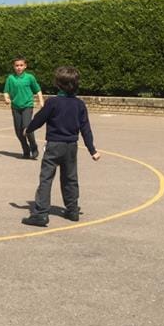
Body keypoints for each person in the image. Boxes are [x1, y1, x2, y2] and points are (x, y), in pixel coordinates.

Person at [21, 66, 100, 227]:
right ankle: (72, 210)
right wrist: (92, 150)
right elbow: (86, 129)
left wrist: (28, 129)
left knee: (46, 178)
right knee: (70, 177)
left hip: (54, 145)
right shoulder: (79, 104)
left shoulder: (53, 102)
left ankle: (41, 214)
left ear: (58, 84)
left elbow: (39, 118)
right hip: (71, 146)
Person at [3, 56, 44, 159]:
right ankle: (25, 150)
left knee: (27, 128)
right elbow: (6, 91)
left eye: (21, 65)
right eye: (17, 65)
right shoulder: (10, 78)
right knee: (18, 131)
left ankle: (33, 147)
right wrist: (6, 98)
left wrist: (41, 101)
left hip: (27, 105)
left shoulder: (30, 77)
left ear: (25, 66)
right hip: (15, 107)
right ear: (14, 66)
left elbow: (38, 90)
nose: (19, 67)